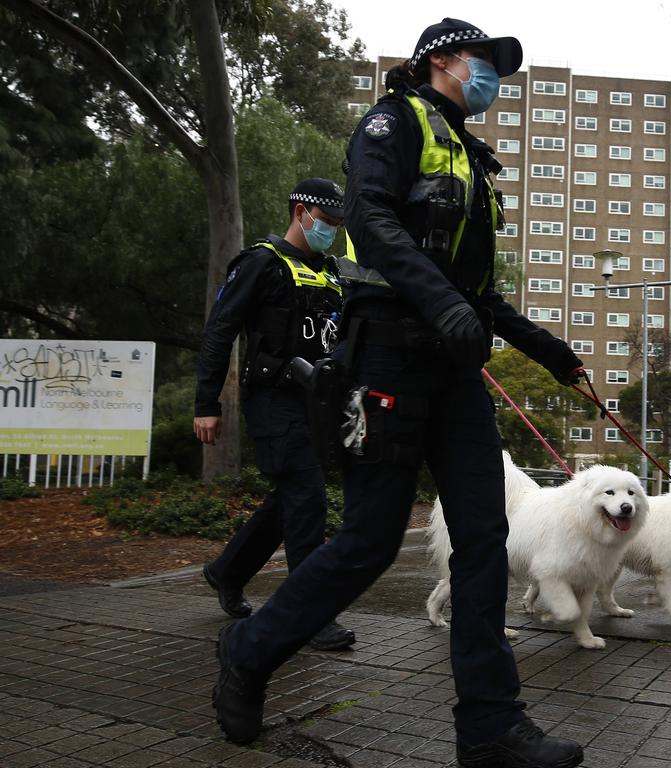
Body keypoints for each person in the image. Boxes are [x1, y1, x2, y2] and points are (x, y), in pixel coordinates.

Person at [212, 18, 586, 768]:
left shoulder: (469, 158)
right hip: (383, 362)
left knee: (485, 539)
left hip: (452, 371)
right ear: (443, 59)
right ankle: (249, 652)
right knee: (369, 542)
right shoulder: (393, 123)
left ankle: (489, 726)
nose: (494, 81)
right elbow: (373, 221)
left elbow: (472, 291)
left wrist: (548, 352)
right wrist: (440, 303)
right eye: (486, 63)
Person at [193, 178, 356, 652]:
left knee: (291, 501)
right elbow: (220, 331)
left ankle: (227, 571)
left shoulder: (331, 273)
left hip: (316, 405)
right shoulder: (261, 262)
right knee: (308, 502)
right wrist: (207, 404)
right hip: (273, 400)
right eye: (327, 222)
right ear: (302, 212)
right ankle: (308, 615)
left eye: (339, 225)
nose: (332, 231)